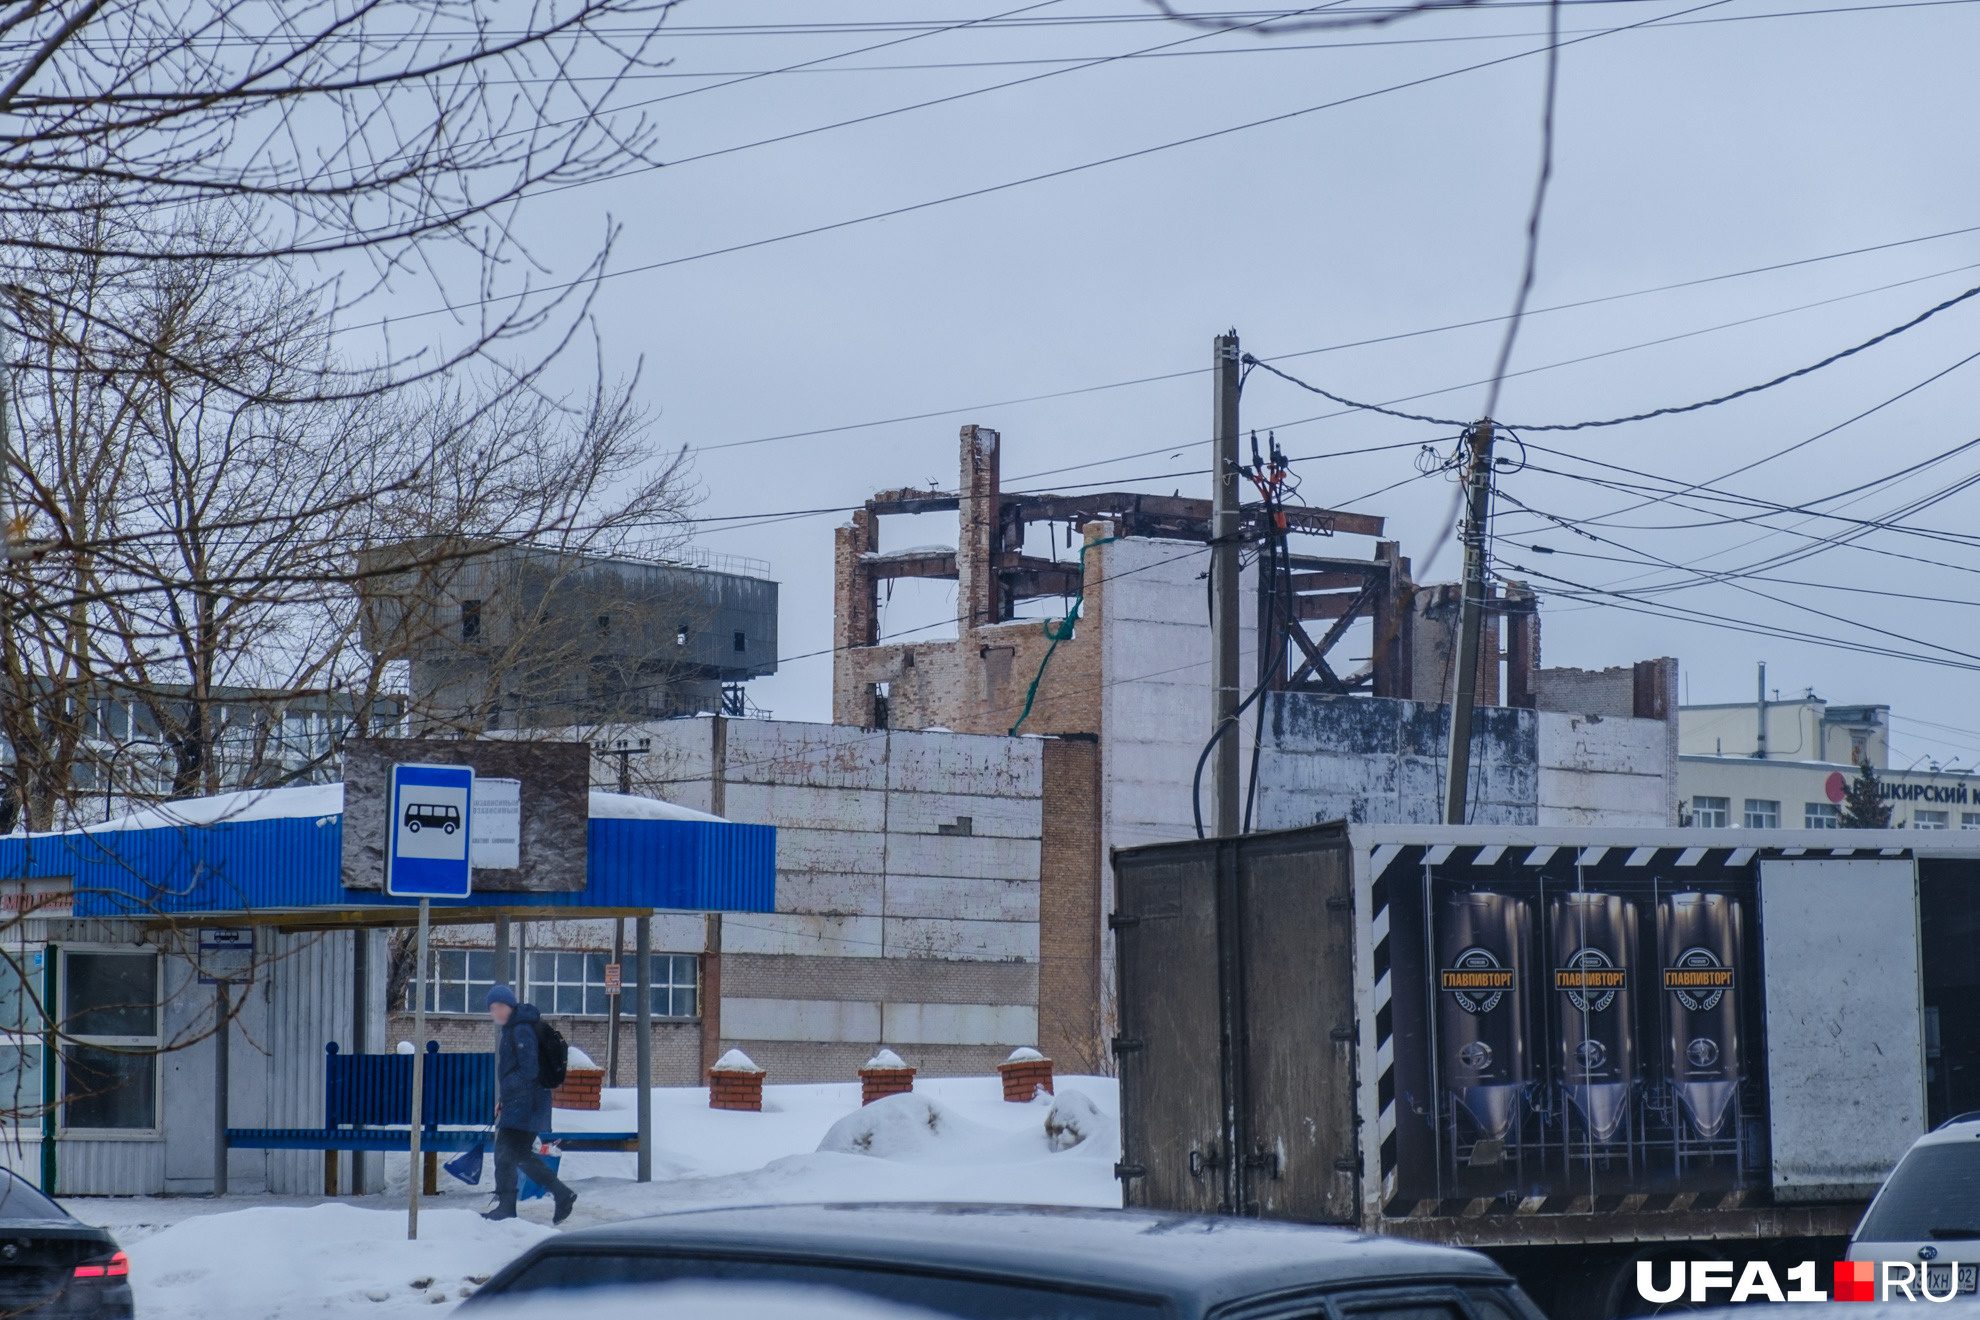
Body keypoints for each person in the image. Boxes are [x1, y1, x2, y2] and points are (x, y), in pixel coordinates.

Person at [484, 984, 576, 1223]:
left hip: (527, 1104)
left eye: (500, 1006)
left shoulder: (521, 1030)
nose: (497, 1012)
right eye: (492, 1009)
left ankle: (507, 1206)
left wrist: (509, 1095)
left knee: (505, 1153)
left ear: (510, 1005)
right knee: (519, 1154)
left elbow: (528, 1070)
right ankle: (561, 1193)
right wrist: (504, 1100)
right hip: (523, 1103)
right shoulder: (513, 1029)